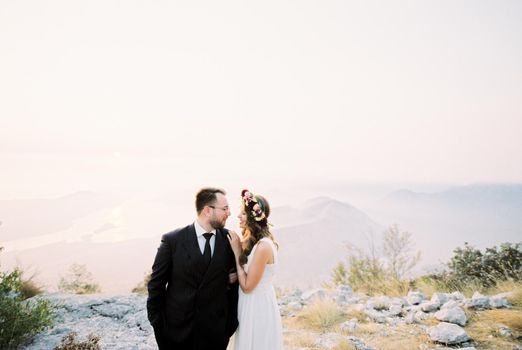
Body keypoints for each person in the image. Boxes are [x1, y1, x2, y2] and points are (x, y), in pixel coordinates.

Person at [147, 187, 238, 350]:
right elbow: (156, 286)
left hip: (215, 335)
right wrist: (159, 327)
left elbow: (234, 287)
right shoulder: (172, 241)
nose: (229, 213)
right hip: (176, 334)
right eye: (224, 209)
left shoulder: (230, 240)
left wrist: (229, 325)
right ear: (207, 210)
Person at [228, 189, 284, 350]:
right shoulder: (250, 241)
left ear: (254, 217)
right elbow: (245, 274)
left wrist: (237, 252)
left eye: (243, 213)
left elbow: (247, 287)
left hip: (258, 308)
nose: (238, 216)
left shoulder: (264, 246)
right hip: (247, 305)